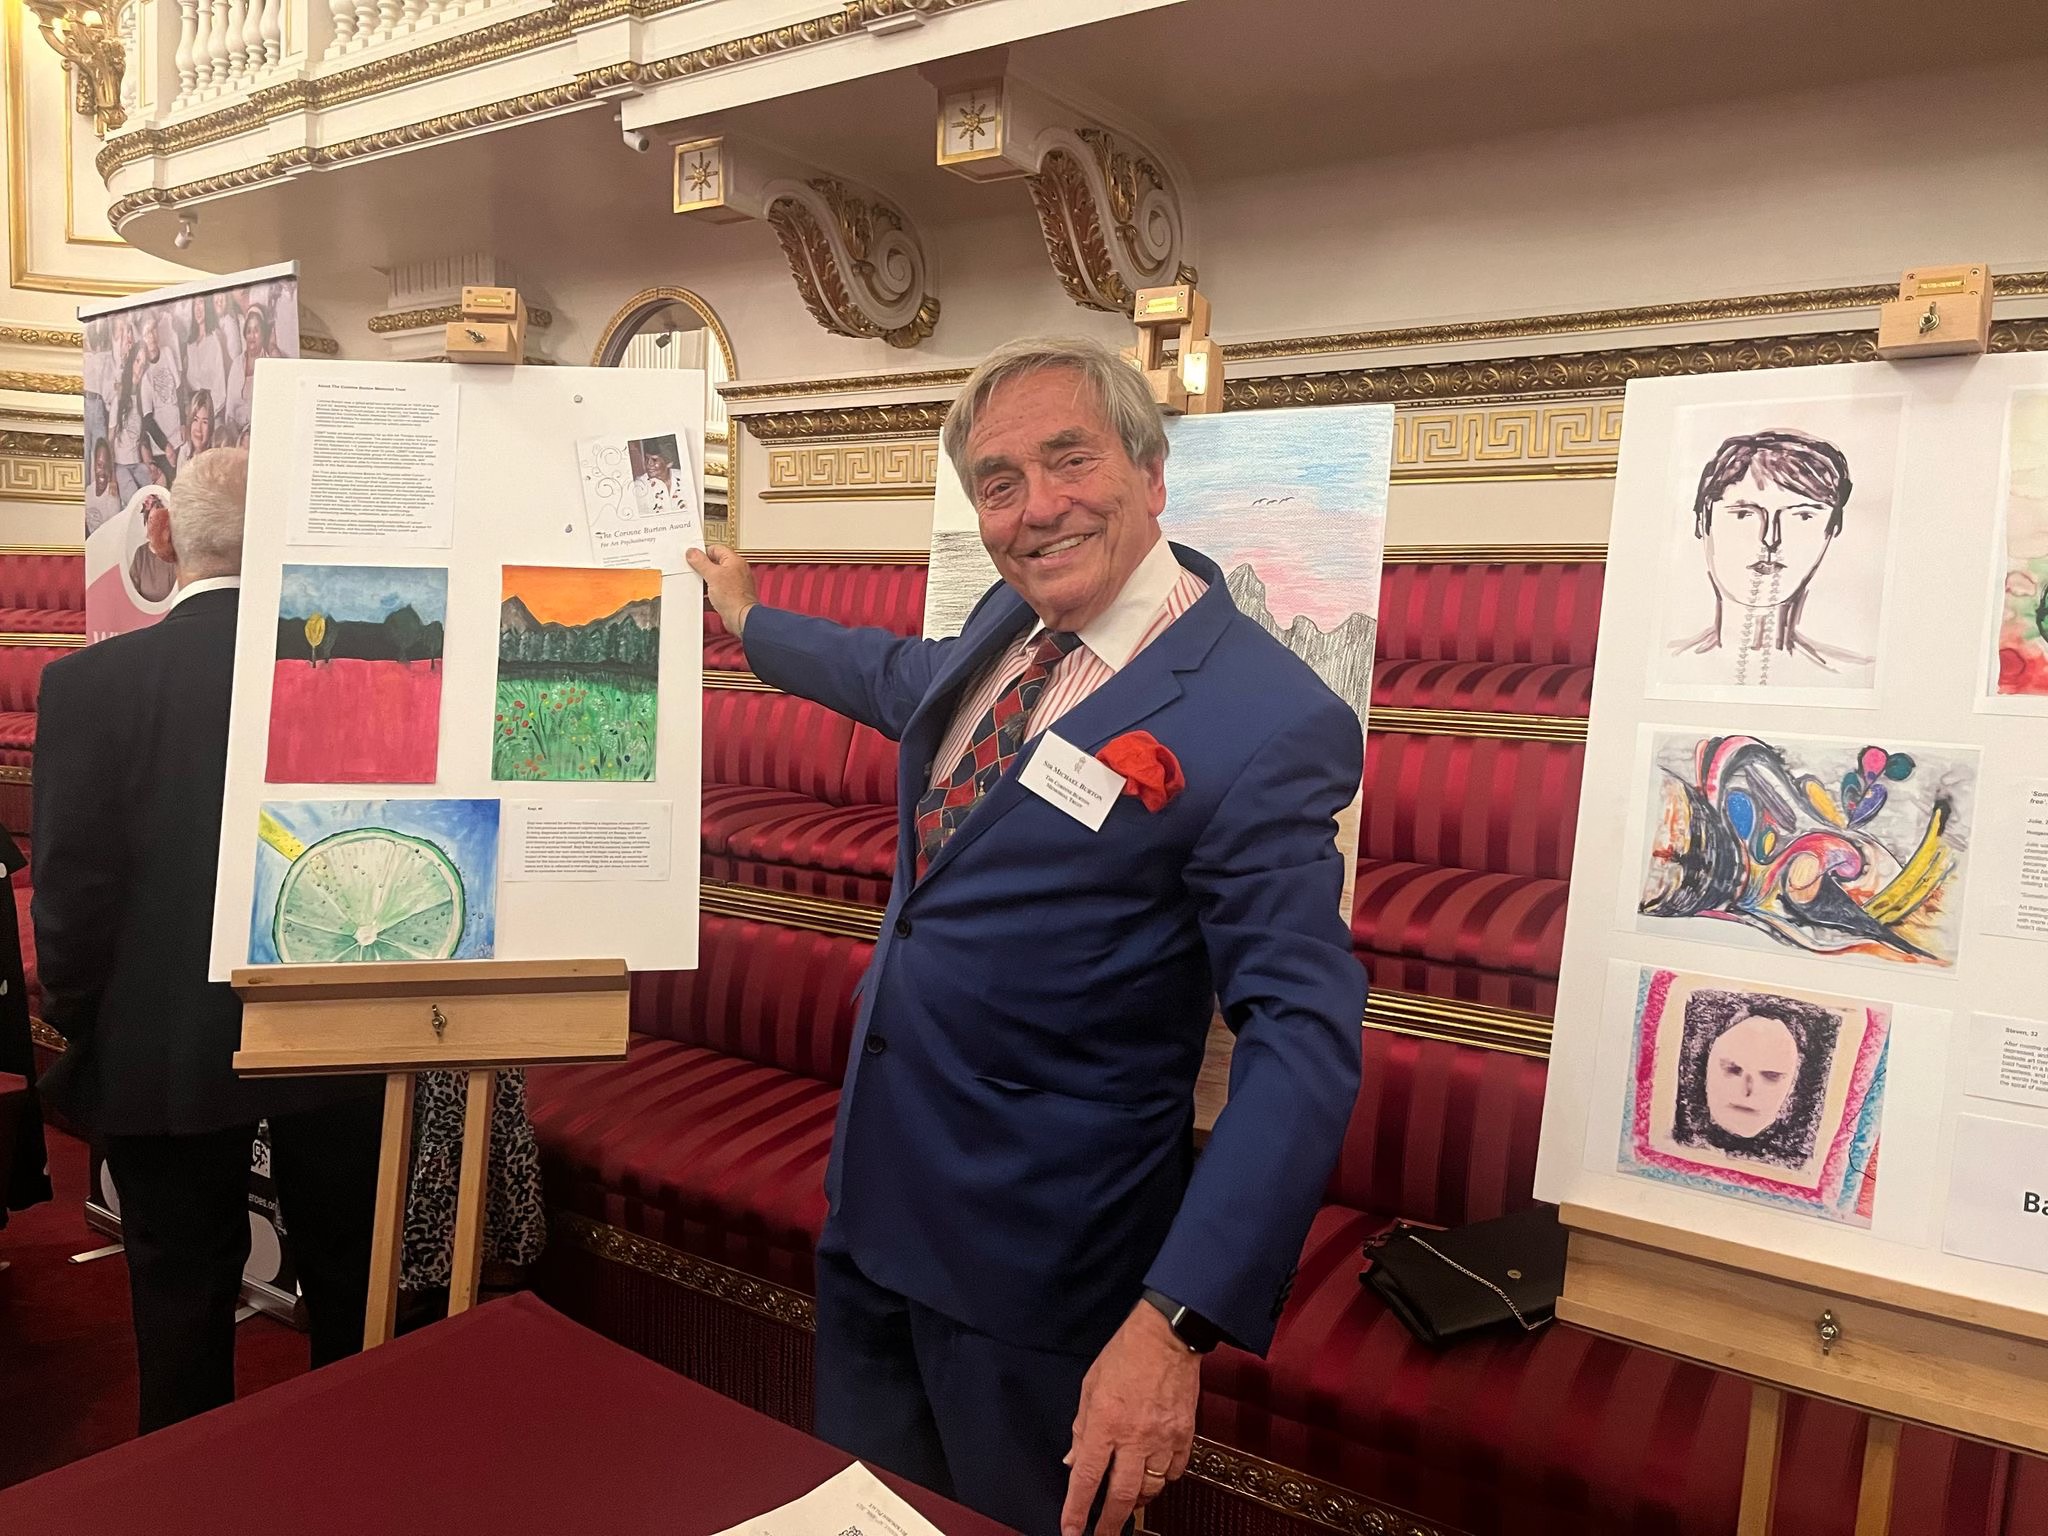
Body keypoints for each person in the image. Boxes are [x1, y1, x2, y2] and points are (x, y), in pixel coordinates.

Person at [688, 337, 1365, 1536]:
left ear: (1150, 473)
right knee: (871, 1516)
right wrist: (747, 618)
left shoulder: (1268, 717)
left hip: (1041, 1268)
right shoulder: (1012, 618)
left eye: (1070, 461)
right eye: (998, 483)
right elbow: (899, 678)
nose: (1036, 507)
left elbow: (1301, 1036)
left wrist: (1174, 1320)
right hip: (876, 1203)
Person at [32, 448, 385, 1434]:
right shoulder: (355, 676)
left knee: (180, 1302)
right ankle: (358, 1474)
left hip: (159, 1040)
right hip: (339, 1031)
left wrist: (81, 1019)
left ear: (159, 530)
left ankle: (191, 1488)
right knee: (352, 1293)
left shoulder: (88, 685)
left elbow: (71, 895)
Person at [1667, 428, 1865, 685]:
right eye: (1744, 514)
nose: (1771, 539)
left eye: (1803, 516)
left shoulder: (1852, 677)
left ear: (1833, 529)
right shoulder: (1666, 665)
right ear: (1703, 522)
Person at [85, 439, 123, 536]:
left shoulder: (112, 497)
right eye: (99, 465)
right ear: (94, 465)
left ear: (110, 469)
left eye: (106, 466)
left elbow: (113, 534)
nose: (102, 471)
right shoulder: (88, 491)